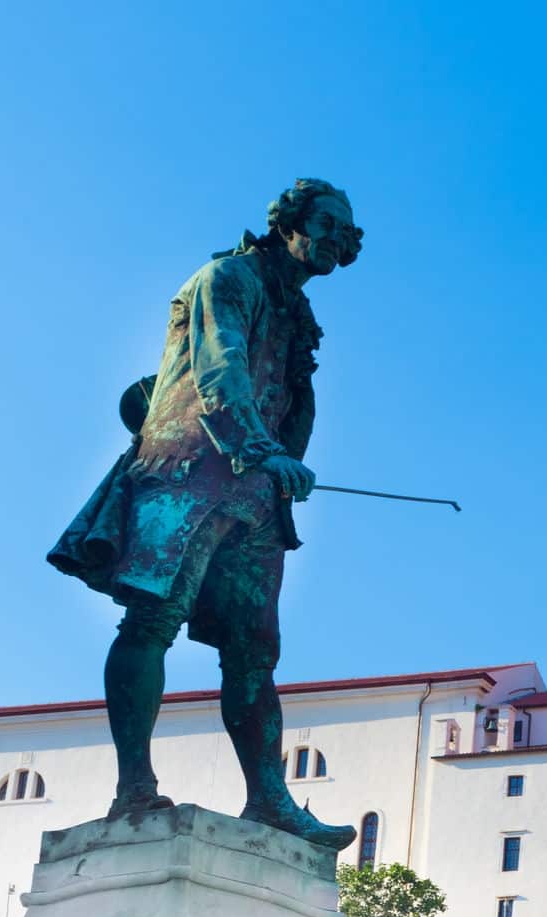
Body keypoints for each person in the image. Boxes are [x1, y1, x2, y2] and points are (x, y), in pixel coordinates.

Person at [49, 179, 363, 848]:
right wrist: (258, 447)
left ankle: (270, 800)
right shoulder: (226, 278)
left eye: (348, 231)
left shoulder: (296, 314)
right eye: (329, 223)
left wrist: (280, 470)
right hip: (190, 470)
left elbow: (291, 402)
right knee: (151, 619)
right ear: (289, 224)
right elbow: (220, 369)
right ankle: (134, 785)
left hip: (256, 492)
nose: (339, 239)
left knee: (255, 652)